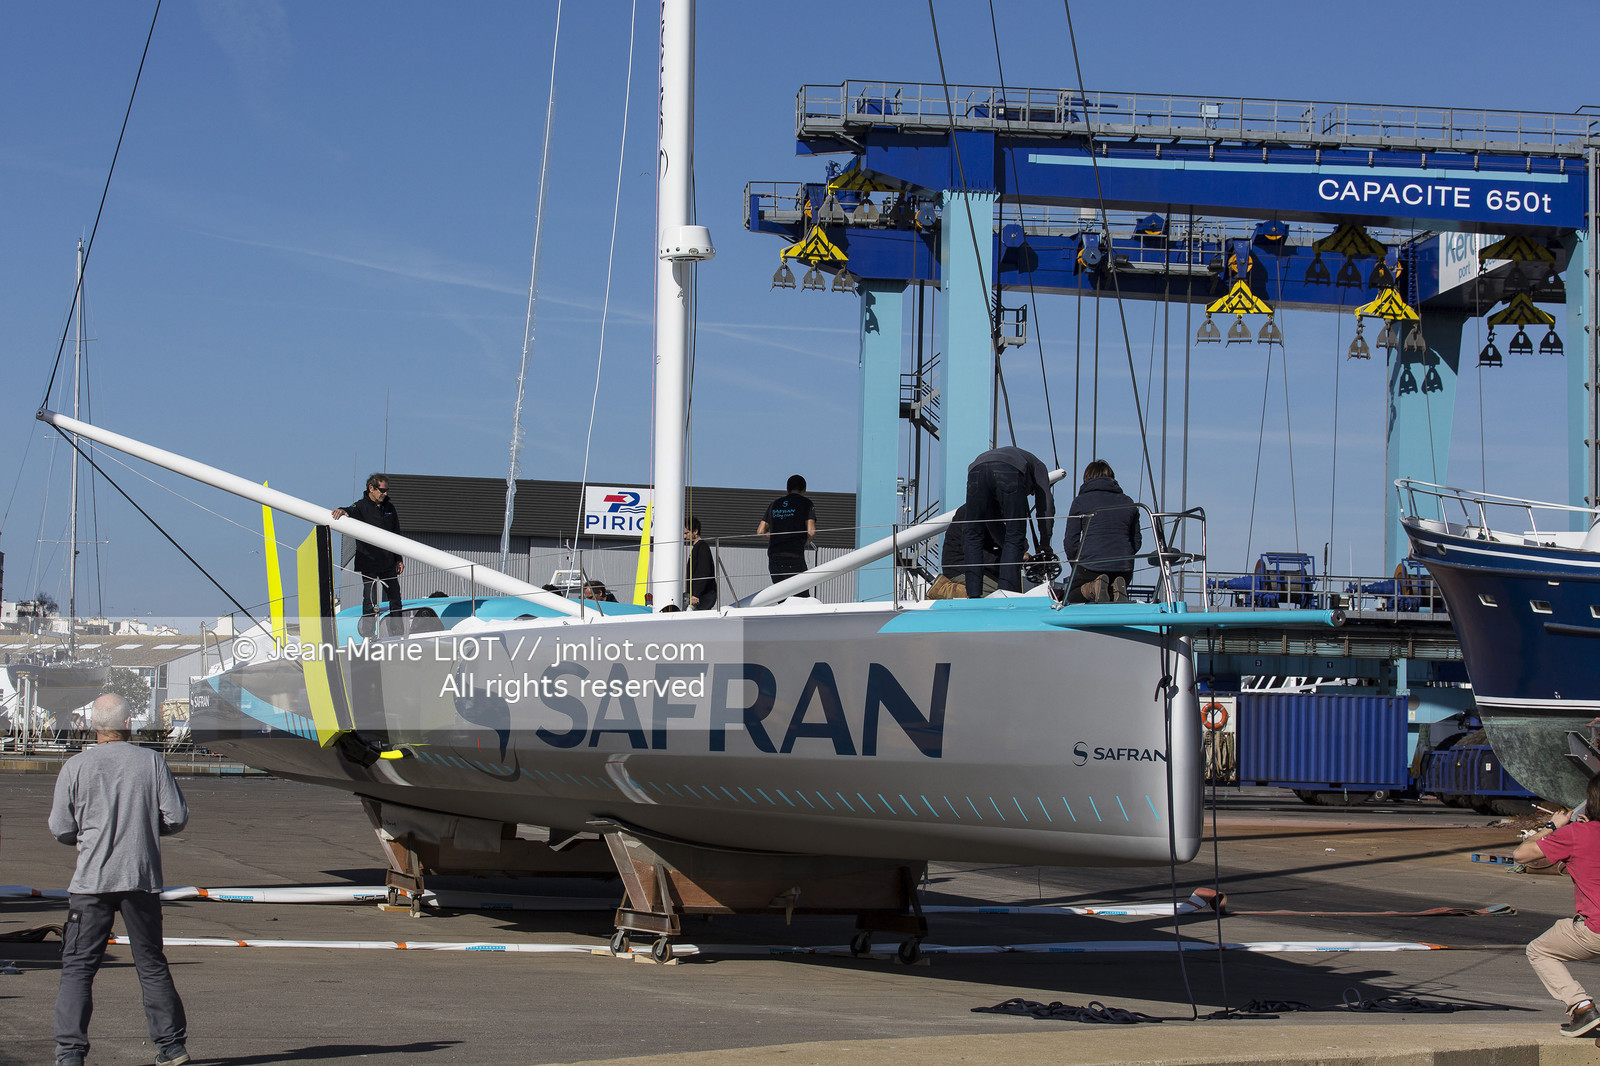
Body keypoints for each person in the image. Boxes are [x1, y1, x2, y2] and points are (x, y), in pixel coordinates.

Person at [50, 693, 191, 1066]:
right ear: (129, 724)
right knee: (151, 962)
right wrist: (147, 828)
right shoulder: (151, 761)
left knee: (78, 967)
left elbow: (60, 827)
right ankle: (171, 1046)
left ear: (93, 726)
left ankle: (70, 1052)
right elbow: (176, 817)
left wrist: (86, 836)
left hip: (91, 883)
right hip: (140, 878)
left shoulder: (75, 767)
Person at [1517, 777, 1600, 1037]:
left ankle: (1581, 1006)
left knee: (1539, 950)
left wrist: (1553, 826)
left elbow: (1521, 854)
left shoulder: (1576, 834)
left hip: (1595, 930)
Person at [963, 446, 1056, 598]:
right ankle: (1005, 594)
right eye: (1031, 491)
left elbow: (993, 523)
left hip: (976, 471)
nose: (1030, 493)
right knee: (1015, 535)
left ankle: (972, 594)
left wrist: (1010, 547)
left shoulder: (1019, 457)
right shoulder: (1039, 466)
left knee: (973, 535)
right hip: (1009, 471)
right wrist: (1045, 542)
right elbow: (1045, 505)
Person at [331, 474, 405, 635]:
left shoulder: (390, 508)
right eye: (382, 490)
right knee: (370, 599)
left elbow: (396, 533)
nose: (385, 493)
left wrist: (398, 559)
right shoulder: (361, 506)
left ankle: (397, 633)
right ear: (371, 488)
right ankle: (368, 633)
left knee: (395, 598)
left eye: (386, 490)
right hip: (369, 561)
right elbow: (350, 510)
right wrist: (341, 510)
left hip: (388, 561)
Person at [1062, 460, 1142, 604]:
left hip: (1090, 567)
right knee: (1108, 593)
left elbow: (1070, 542)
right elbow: (1136, 542)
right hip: (1124, 568)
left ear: (1087, 478)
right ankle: (1115, 589)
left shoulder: (1080, 502)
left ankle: (1093, 587)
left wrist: (1077, 565)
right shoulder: (1129, 502)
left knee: (1070, 596)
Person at [757, 474, 817, 596]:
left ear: (787, 489)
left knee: (782, 599)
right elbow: (811, 532)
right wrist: (804, 541)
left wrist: (778, 536)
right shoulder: (806, 504)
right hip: (794, 557)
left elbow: (760, 531)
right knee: (801, 599)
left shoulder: (774, 504)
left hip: (774, 559)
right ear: (804, 489)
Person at [929, 505, 1000, 599]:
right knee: (998, 593)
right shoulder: (970, 512)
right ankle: (945, 590)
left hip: (979, 565)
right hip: (960, 566)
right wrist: (1002, 560)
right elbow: (972, 548)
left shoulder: (994, 511)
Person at [684, 518, 717, 610]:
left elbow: (705, 571)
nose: (684, 537)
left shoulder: (702, 547)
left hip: (703, 595)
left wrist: (696, 594)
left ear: (695, 531)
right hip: (698, 595)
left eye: (687, 533)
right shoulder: (696, 548)